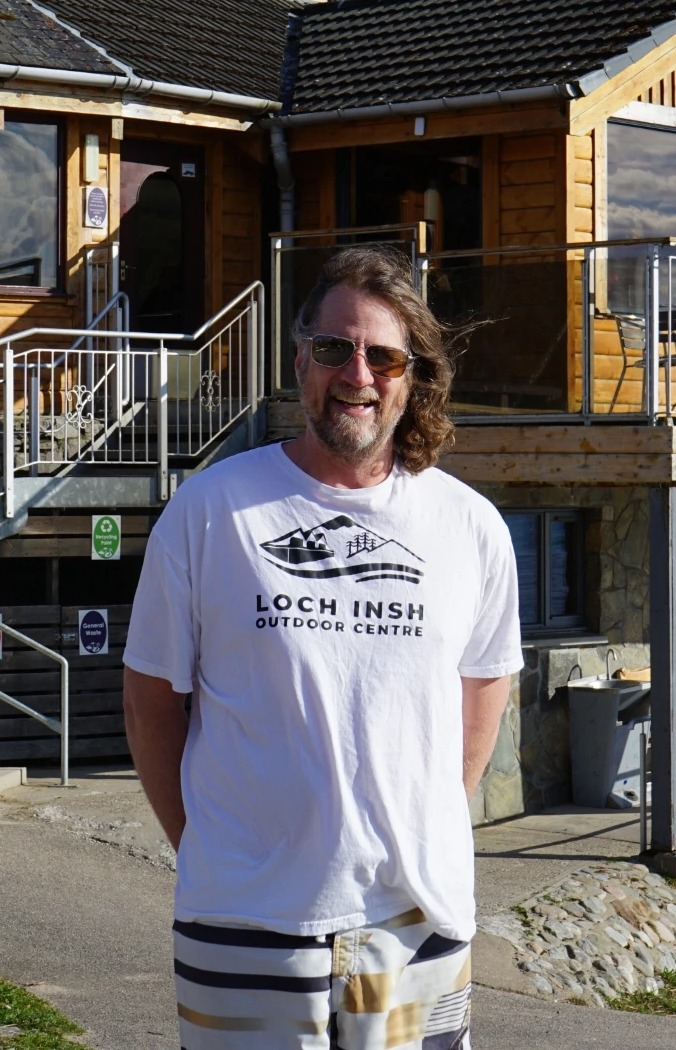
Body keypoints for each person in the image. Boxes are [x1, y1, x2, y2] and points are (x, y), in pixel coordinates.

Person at [123, 245, 521, 1049]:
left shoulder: (469, 526)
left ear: (413, 379)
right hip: (244, 915)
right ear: (301, 355)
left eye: (383, 355)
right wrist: (211, 845)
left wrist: (421, 821)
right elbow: (150, 698)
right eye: (336, 348)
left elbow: (481, 694)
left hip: (416, 925)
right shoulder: (211, 511)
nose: (357, 374)